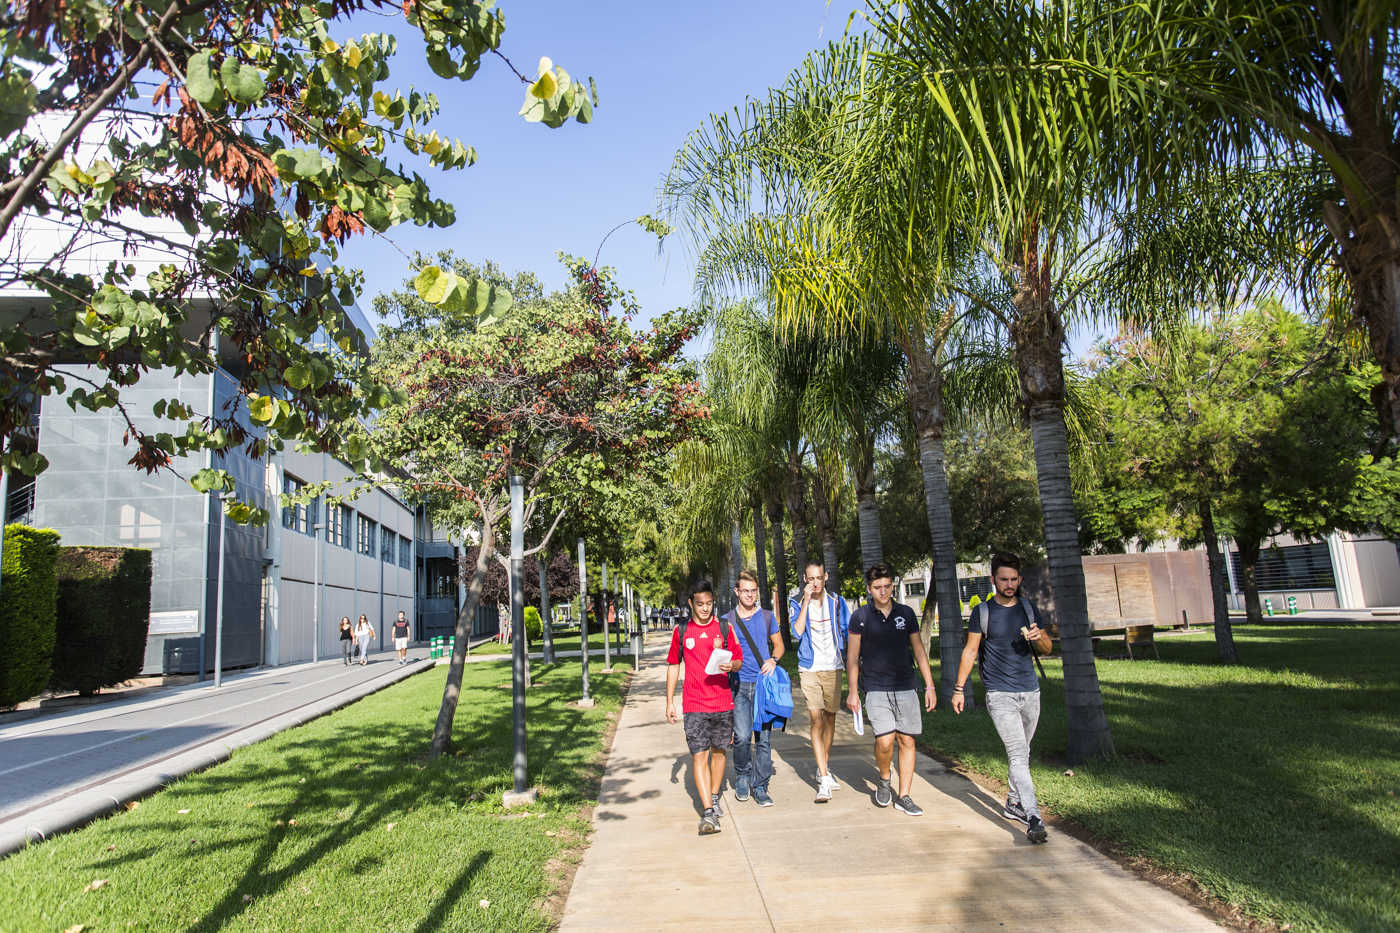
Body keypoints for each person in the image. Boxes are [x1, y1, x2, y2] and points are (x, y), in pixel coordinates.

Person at [951, 552, 1052, 844]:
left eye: (1014, 579)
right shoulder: (983, 613)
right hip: (999, 694)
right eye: (1004, 579)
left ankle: (1012, 802)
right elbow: (970, 652)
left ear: (1019, 580)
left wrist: (1039, 638)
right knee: (1018, 754)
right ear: (994, 579)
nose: (1009, 584)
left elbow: (1047, 648)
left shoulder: (1028, 609)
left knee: (1024, 752)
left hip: (1030, 692)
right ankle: (1033, 816)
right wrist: (959, 689)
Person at [845, 563, 936, 816]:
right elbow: (852, 658)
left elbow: (918, 650)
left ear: (892, 587)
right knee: (885, 741)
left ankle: (904, 795)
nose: (883, 592)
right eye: (877, 588)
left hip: (906, 685)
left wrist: (929, 685)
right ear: (869, 589)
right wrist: (853, 692)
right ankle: (884, 778)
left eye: (887, 586)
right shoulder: (860, 617)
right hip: (875, 687)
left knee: (907, 739)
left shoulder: (905, 613)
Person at [666, 580, 743, 835]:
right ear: (691, 604)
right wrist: (669, 702)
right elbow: (674, 665)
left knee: (719, 752)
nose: (705, 609)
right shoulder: (682, 631)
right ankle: (708, 812)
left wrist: (732, 666)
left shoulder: (724, 628)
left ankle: (714, 795)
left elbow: (739, 659)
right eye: (700, 604)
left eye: (709, 604)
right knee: (699, 754)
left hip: (722, 702)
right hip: (694, 704)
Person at [789, 560, 851, 803]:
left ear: (825, 577)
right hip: (809, 667)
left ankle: (822, 765)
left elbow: (846, 631)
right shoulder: (796, 602)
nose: (815, 582)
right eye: (810, 578)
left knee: (830, 718)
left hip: (833, 666)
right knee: (816, 718)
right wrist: (805, 601)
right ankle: (824, 777)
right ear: (805, 580)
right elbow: (797, 631)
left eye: (819, 578)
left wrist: (852, 660)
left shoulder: (837, 602)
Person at [725, 570, 784, 807]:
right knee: (740, 737)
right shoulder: (727, 620)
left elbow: (778, 646)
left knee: (763, 739)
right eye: (745, 591)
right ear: (737, 592)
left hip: (762, 686)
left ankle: (760, 785)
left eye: (753, 590)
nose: (750, 595)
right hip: (738, 685)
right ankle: (742, 775)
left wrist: (773, 660)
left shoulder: (767, 617)